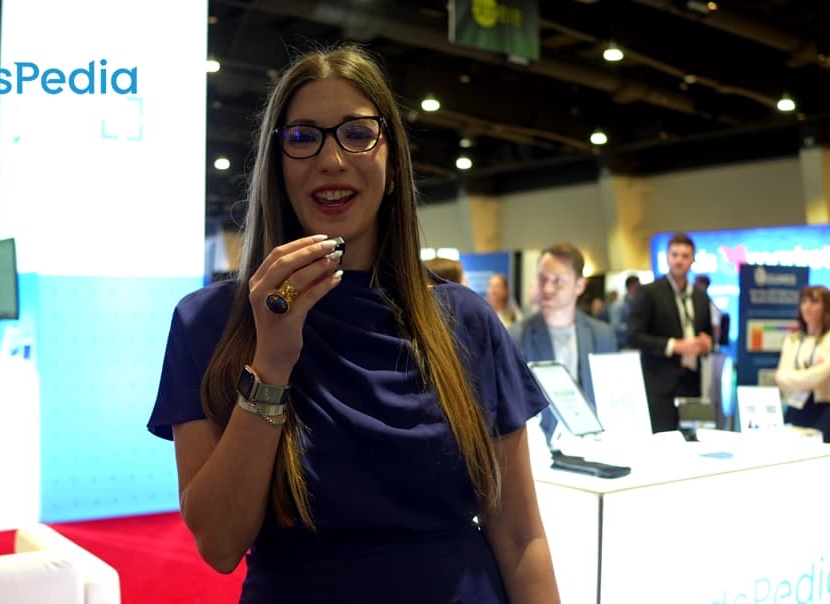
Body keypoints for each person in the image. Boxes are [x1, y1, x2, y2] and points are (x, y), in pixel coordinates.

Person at [147, 46, 559, 604]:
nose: (332, 160)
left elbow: (519, 533)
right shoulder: (209, 323)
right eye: (302, 137)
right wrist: (272, 359)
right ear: (278, 162)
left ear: (391, 162)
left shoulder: (465, 321)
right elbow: (219, 544)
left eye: (358, 133)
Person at [509, 243, 617, 443]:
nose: (548, 288)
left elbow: (613, 399)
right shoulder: (517, 336)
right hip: (540, 449)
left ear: (579, 286)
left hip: (595, 444)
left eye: (558, 281)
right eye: (542, 279)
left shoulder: (602, 335)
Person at [627, 233, 713, 433]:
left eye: (685, 256)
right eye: (675, 255)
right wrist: (674, 345)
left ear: (693, 259)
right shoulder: (650, 292)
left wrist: (708, 344)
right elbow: (634, 335)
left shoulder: (700, 297)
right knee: (663, 442)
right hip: (660, 383)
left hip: (692, 383)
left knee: (694, 441)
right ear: (667, 257)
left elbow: (708, 334)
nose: (679, 260)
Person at [775, 285, 830, 442]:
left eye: (814, 302)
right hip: (795, 407)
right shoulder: (793, 339)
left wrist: (795, 377)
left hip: (824, 410)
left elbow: (821, 375)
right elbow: (782, 377)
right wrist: (814, 372)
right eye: (804, 301)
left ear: (826, 306)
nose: (807, 306)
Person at [608, 275, 640, 349]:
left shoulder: (637, 303)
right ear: (631, 287)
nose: (639, 289)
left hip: (633, 345)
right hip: (621, 345)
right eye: (637, 287)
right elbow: (615, 326)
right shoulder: (618, 305)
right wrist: (632, 327)